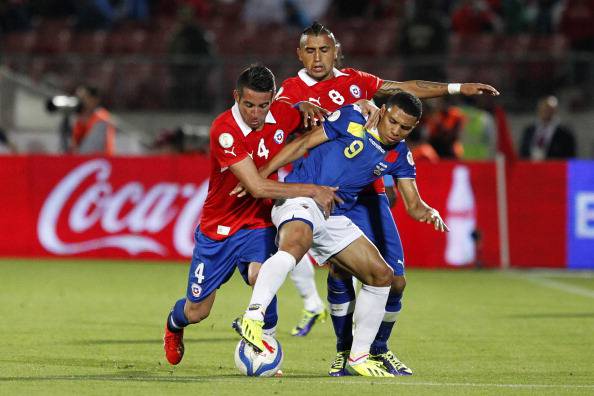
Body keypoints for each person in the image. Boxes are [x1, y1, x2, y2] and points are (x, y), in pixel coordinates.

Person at [275, 21, 498, 376]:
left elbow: (406, 89)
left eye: (325, 49)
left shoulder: (356, 82)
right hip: (324, 190)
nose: (318, 58)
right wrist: (296, 106)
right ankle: (344, 353)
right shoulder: (290, 90)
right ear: (299, 54)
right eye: (310, 50)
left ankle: (378, 349)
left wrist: (457, 88)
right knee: (339, 273)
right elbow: (281, 117)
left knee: (395, 278)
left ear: (337, 51)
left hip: (370, 194)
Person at [233, 92, 448, 377]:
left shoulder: (400, 155)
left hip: (332, 216)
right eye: (393, 121)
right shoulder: (352, 118)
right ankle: (254, 316)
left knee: (383, 276)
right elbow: (303, 144)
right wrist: (261, 175)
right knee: (294, 246)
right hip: (300, 197)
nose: (395, 130)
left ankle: (359, 356)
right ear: (382, 111)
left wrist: (427, 211)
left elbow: (413, 204)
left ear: (414, 127)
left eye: (405, 127)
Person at [162, 65, 341, 366]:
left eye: (263, 105)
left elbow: (309, 118)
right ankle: (173, 326)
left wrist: (311, 106)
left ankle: (263, 344)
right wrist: (313, 190)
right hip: (218, 228)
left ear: (273, 99)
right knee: (198, 311)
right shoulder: (225, 130)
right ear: (236, 97)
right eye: (248, 105)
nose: (256, 113)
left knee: (262, 274)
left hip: (258, 222)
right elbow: (257, 187)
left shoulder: (283, 114)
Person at [519, 95, 576, 160]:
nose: (545, 111)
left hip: (554, 168)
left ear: (555, 110)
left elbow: (570, 157)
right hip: (531, 167)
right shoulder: (529, 130)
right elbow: (522, 153)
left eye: (548, 109)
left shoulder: (565, 133)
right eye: (543, 108)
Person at [70, 85, 117, 155]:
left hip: (100, 159)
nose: (80, 102)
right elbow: (74, 144)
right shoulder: (79, 120)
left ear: (94, 100)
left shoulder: (102, 118)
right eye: (78, 98)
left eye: (83, 98)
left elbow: (92, 146)